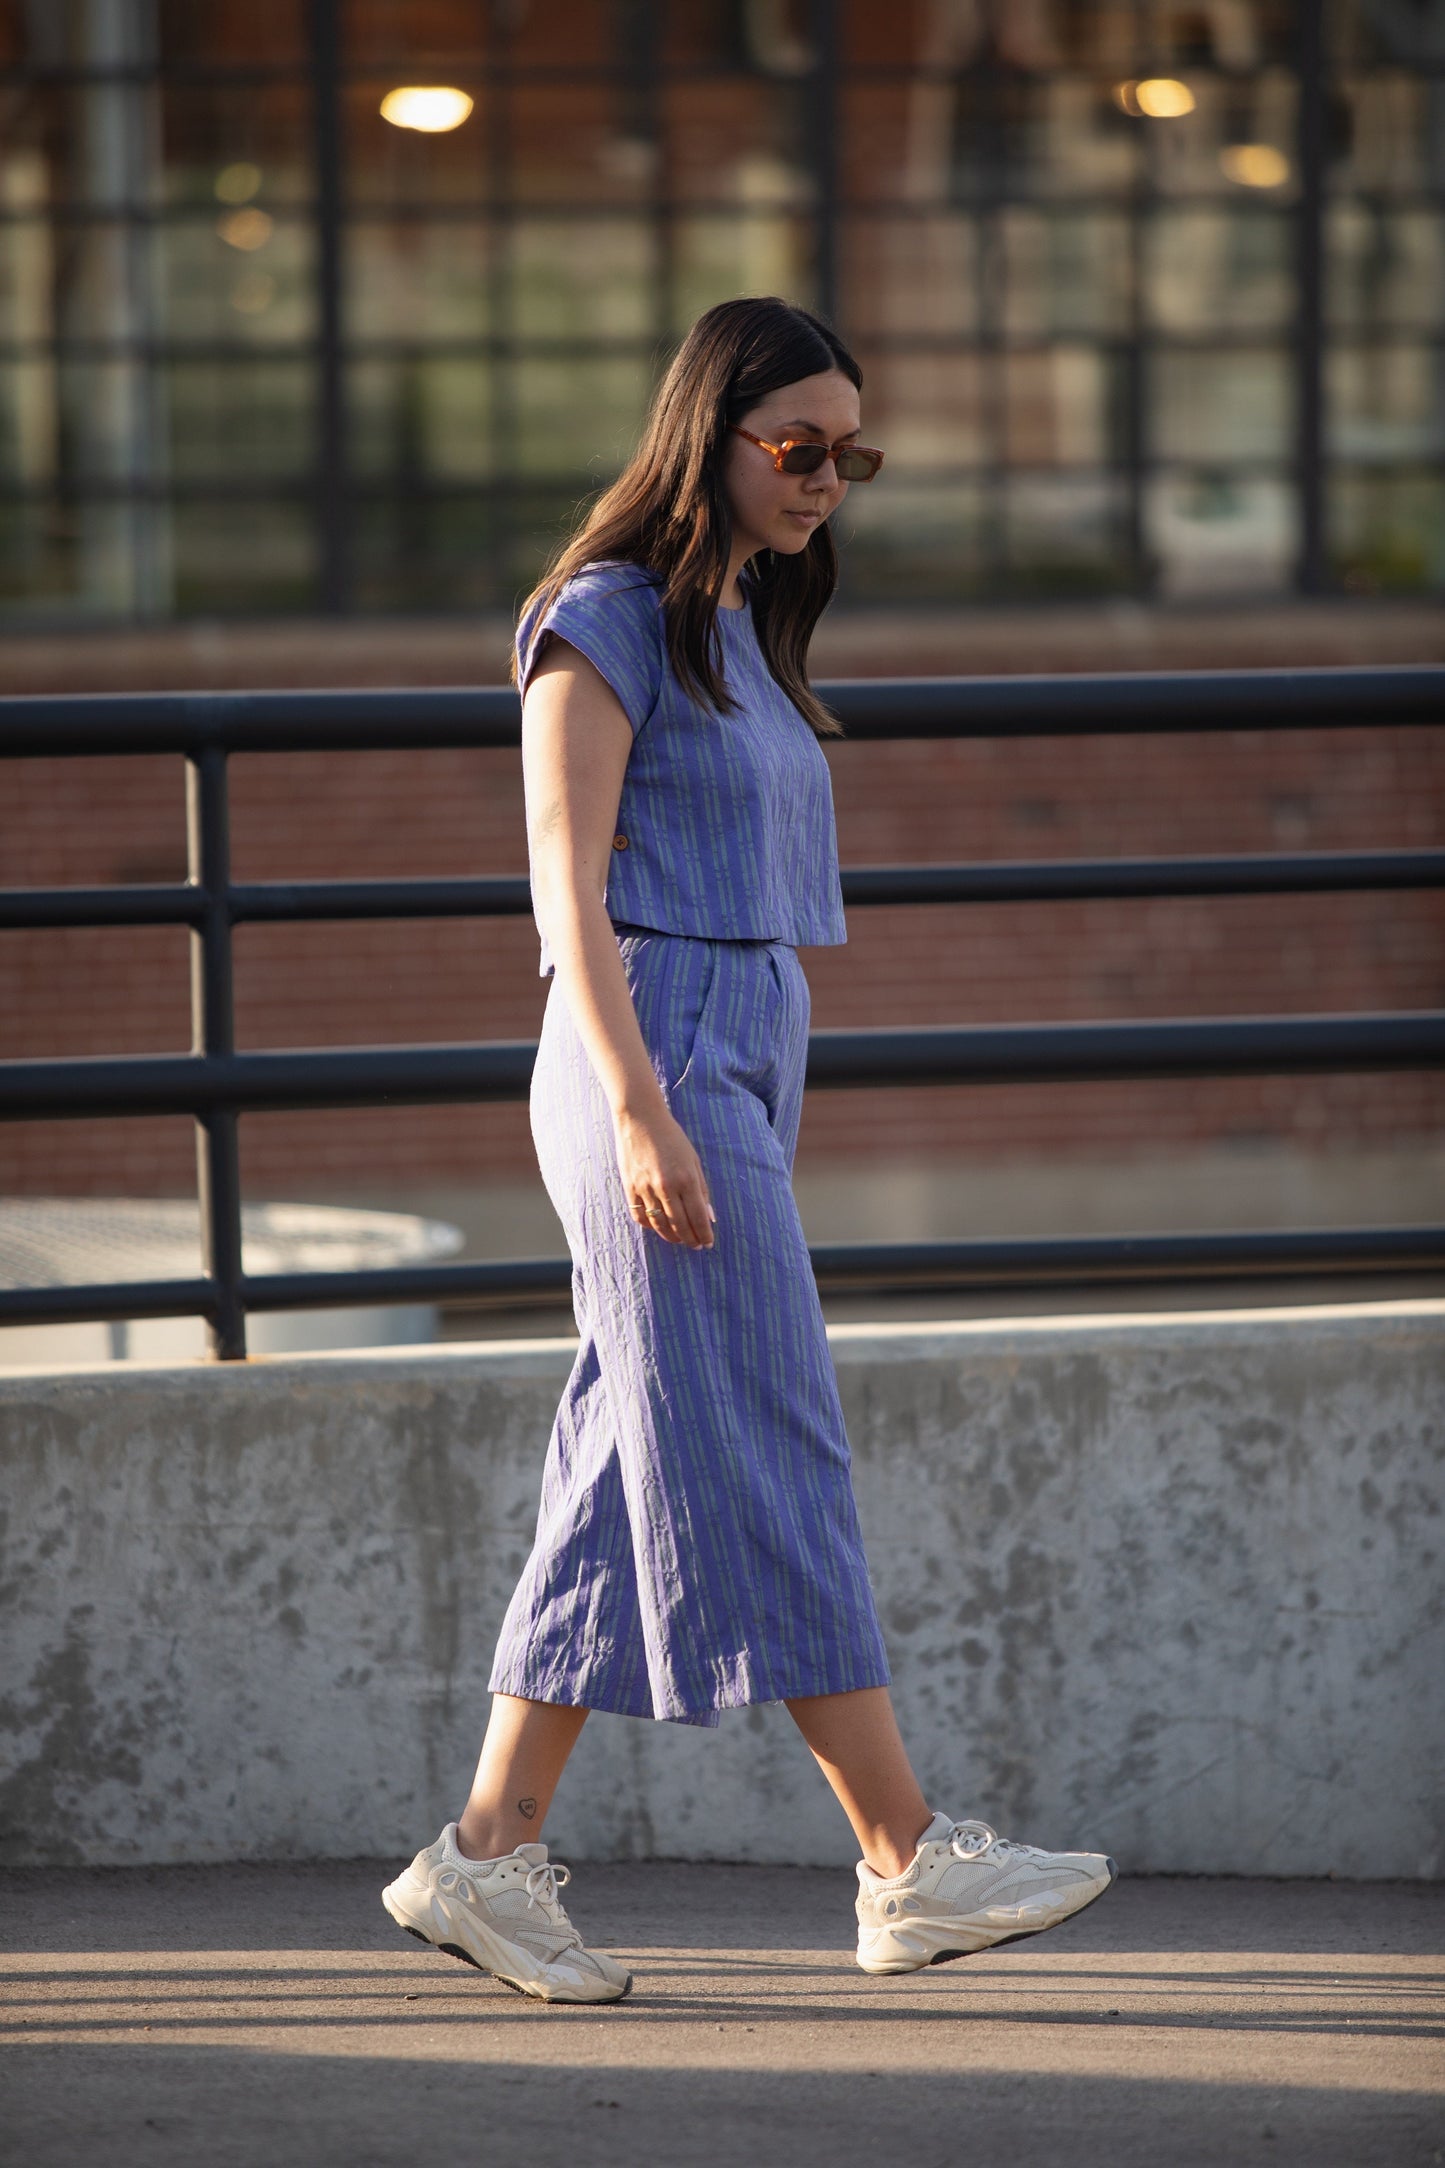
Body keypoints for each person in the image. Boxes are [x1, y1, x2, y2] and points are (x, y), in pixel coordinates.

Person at [382, 297, 1115, 2003]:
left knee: (624, 1457)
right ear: (704, 432)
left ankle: (483, 1859)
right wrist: (642, 1106)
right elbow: (565, 885)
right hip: (653, 1053)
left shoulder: (733, 624)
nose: (824, 482)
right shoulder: (607, 615)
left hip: (736, 1053)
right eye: (796, 447)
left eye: (850, 454)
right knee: (772, 1436)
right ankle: (900, 1855)